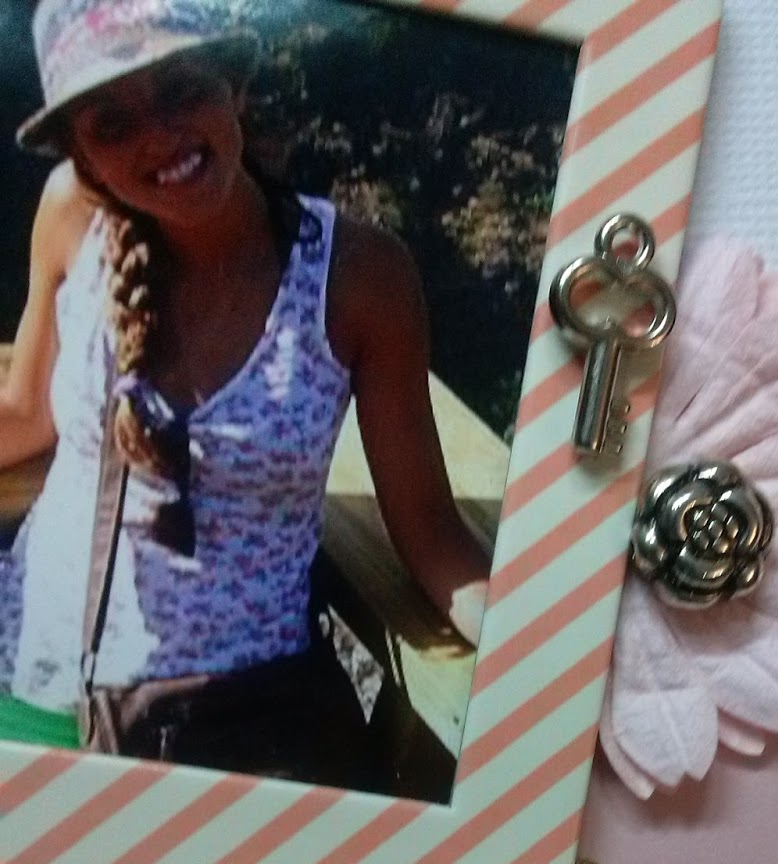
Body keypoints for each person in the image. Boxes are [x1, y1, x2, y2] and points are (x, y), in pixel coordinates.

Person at [0, 0, 490, 789]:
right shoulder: (69, 215)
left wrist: (544, 659)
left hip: (237, 724)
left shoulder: (358, 277)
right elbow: (24, 415)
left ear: (235, 83)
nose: (158, 138)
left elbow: (431, 533)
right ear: (81, 154)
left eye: (181, 89)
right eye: (111, 124)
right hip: (29, 671)